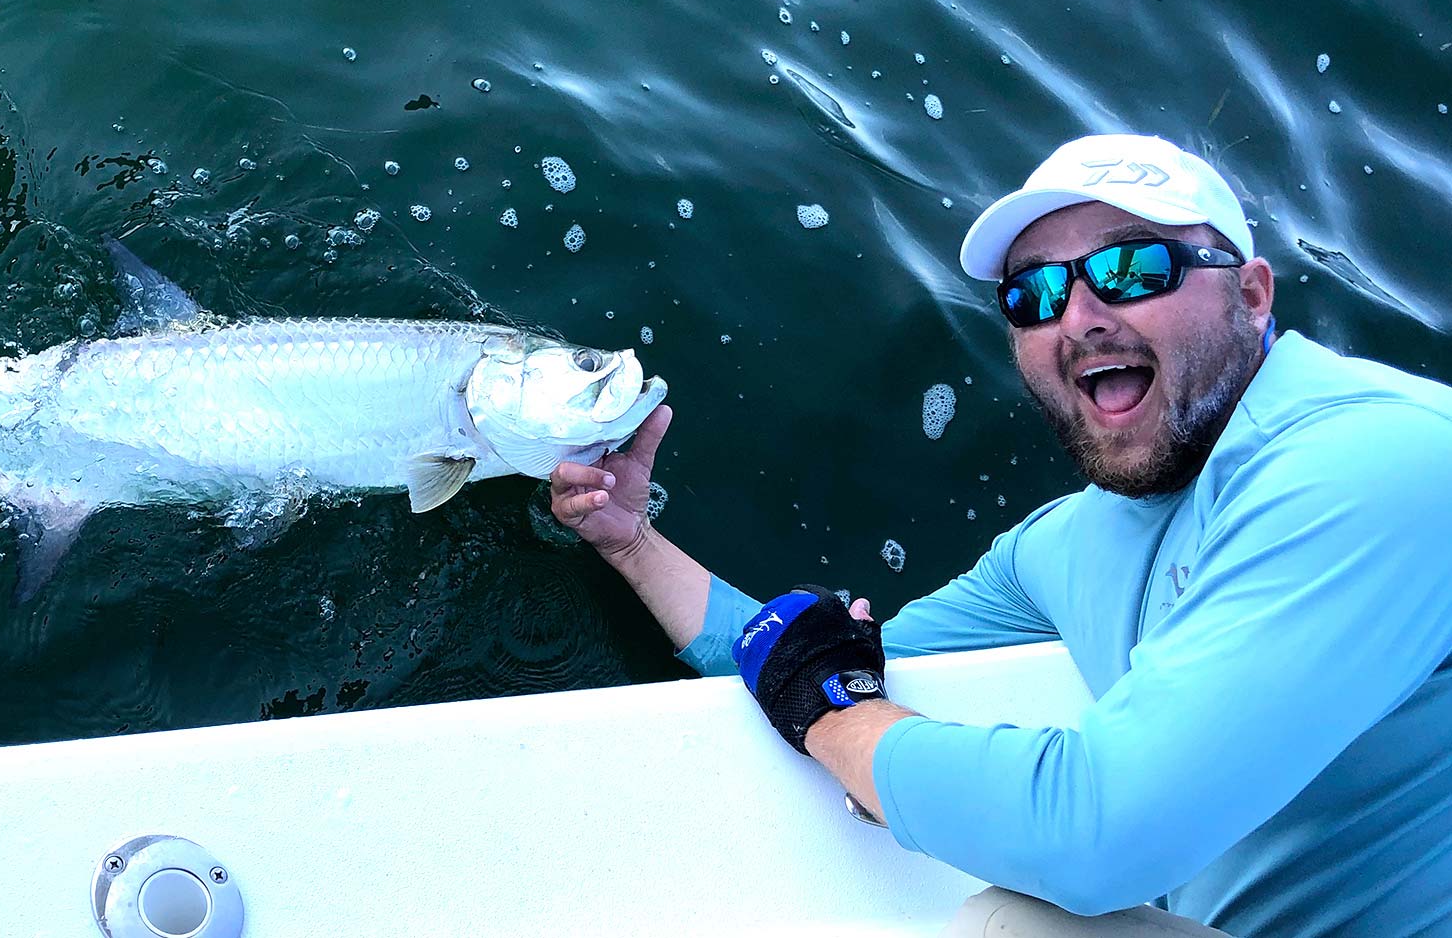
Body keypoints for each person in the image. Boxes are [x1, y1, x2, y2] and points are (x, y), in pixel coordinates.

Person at [551, 134, 1452, 937]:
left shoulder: (1379, 460)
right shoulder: (1062, 544)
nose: (1082, 314)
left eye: (1134, 269)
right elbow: (819, 662)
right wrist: (629, 539)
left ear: (1251, 296)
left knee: (1014, 927)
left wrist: (830, 711)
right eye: (1035, 293)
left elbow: (1099, 838)